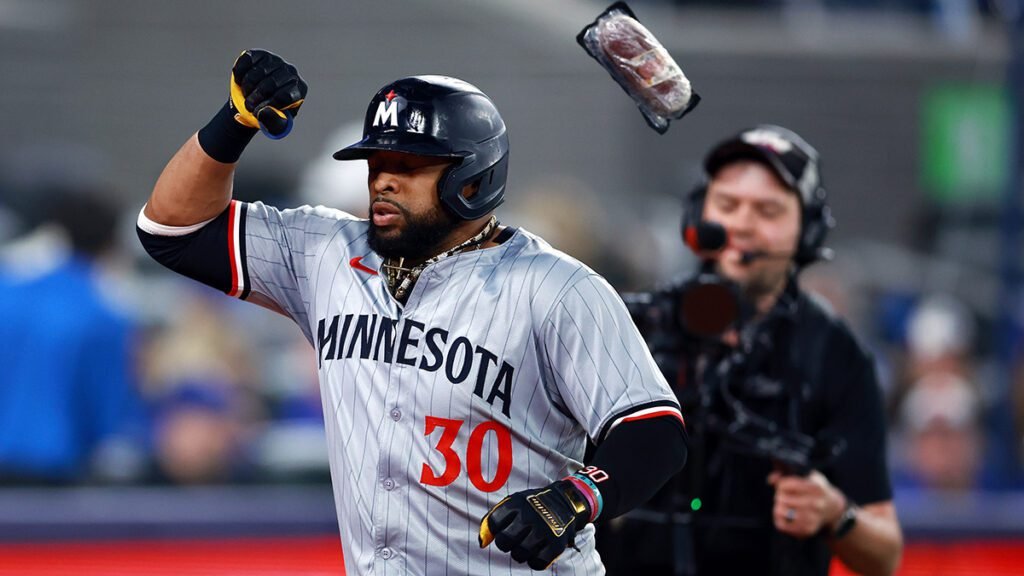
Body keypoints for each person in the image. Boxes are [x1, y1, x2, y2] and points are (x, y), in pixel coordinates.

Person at [136, 49, 688, 574]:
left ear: (473, 178)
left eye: (408, 165)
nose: (383, 179)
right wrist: (234, 123)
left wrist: (577, 496)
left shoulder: (558, 288)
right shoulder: (324, 252)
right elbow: (172, 230)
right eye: (376, 162)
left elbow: (654, 429)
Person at [598, 125, 903, 576]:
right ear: (697, 215)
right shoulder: (637, 326)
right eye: (727, 205)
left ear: (807, 230)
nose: (741, 224)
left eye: (767, 211)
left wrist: (834, 512)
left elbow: (885, 556)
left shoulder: (835, 354)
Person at [0, 187, 148, 484]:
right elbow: (106, 411)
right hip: (53, 470)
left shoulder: (7, 292)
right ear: (111, 244)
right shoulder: (104, 317)